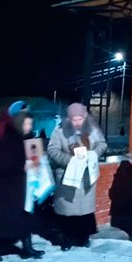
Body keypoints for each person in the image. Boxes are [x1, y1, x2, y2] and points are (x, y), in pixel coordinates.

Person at [0, 100, 44, 260]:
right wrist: (20, 166)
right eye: (26, 124)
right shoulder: (6, 135)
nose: (29, 127)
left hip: (22, 186)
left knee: (25, 215)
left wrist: (37, 163)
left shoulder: (28, 138)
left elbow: (35, 158)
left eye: (31, 124)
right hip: (4, 188)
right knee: (0, 218)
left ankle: (27, 246)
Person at [47, 102, 107, 251]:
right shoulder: (59, 131)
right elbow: (52, 150)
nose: (78, 122)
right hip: (67, 177)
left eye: (80, 119)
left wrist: (93, 154)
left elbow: (102, 144)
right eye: (74, 119)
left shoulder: (92, 129)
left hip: (86, 177)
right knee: (67, 211)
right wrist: (69, 161)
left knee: (84, 211)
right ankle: (67, 238)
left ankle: (83, 237)